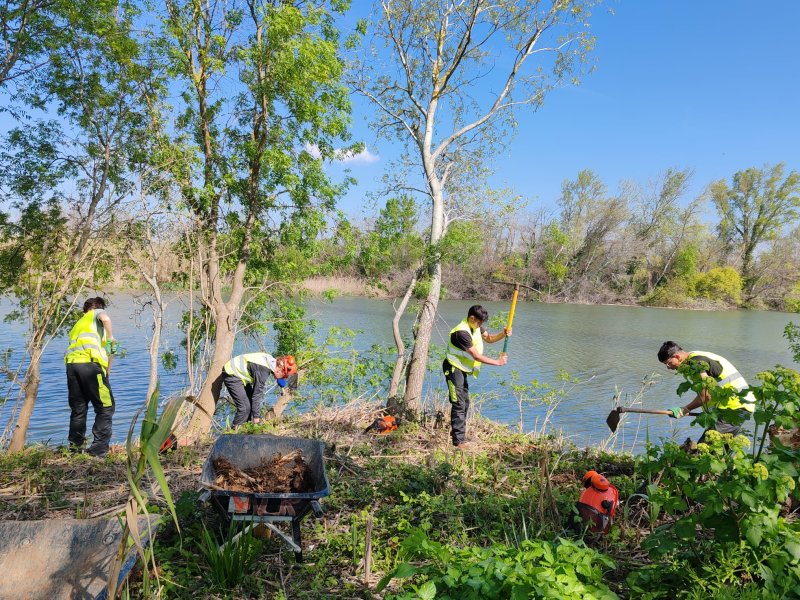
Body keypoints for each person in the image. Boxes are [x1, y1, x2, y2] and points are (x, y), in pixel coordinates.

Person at [658, 341, 755, 441]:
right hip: (734, 407)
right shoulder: (694, 356)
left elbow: (706, 396)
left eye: (669, 363)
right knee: (719, 452)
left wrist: (684, 409)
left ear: (677, 356)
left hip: (734, 407)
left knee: (704, 451)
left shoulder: (696, 363)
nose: (668, 367)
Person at [443, 305, 510, 447]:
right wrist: (497, 362)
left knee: (465, 403)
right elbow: (476, 356)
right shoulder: (461, 332)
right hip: (453, 368)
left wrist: (503, 334)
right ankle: (458, 441)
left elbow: (490, 339)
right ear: (472, 318)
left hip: (461, 369)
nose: (481, 326)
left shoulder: (476, 326)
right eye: (479, 322)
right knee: (459, 403)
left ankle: (458, 434)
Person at [65, 297, 117, 456]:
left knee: (78, 408)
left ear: (83, 310)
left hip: (72, 366)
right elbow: (106, 319)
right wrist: (110, 337)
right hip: (90, 365)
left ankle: (75, 448)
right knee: (106, 406)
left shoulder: (78, 325)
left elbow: (108, 353)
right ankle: (98, 450)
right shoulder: (96, 313)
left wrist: (106, 370)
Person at [222, 353, 298, 427]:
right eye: (283, 376)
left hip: (240, 375)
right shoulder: (263, 372)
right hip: (231, 374)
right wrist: (256, 418)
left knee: (251, 405)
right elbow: (257, 395)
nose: (283, 378)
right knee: (245, 408)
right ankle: (234, 434)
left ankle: (245, 429)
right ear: (279, 369)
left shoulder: (271, 361)